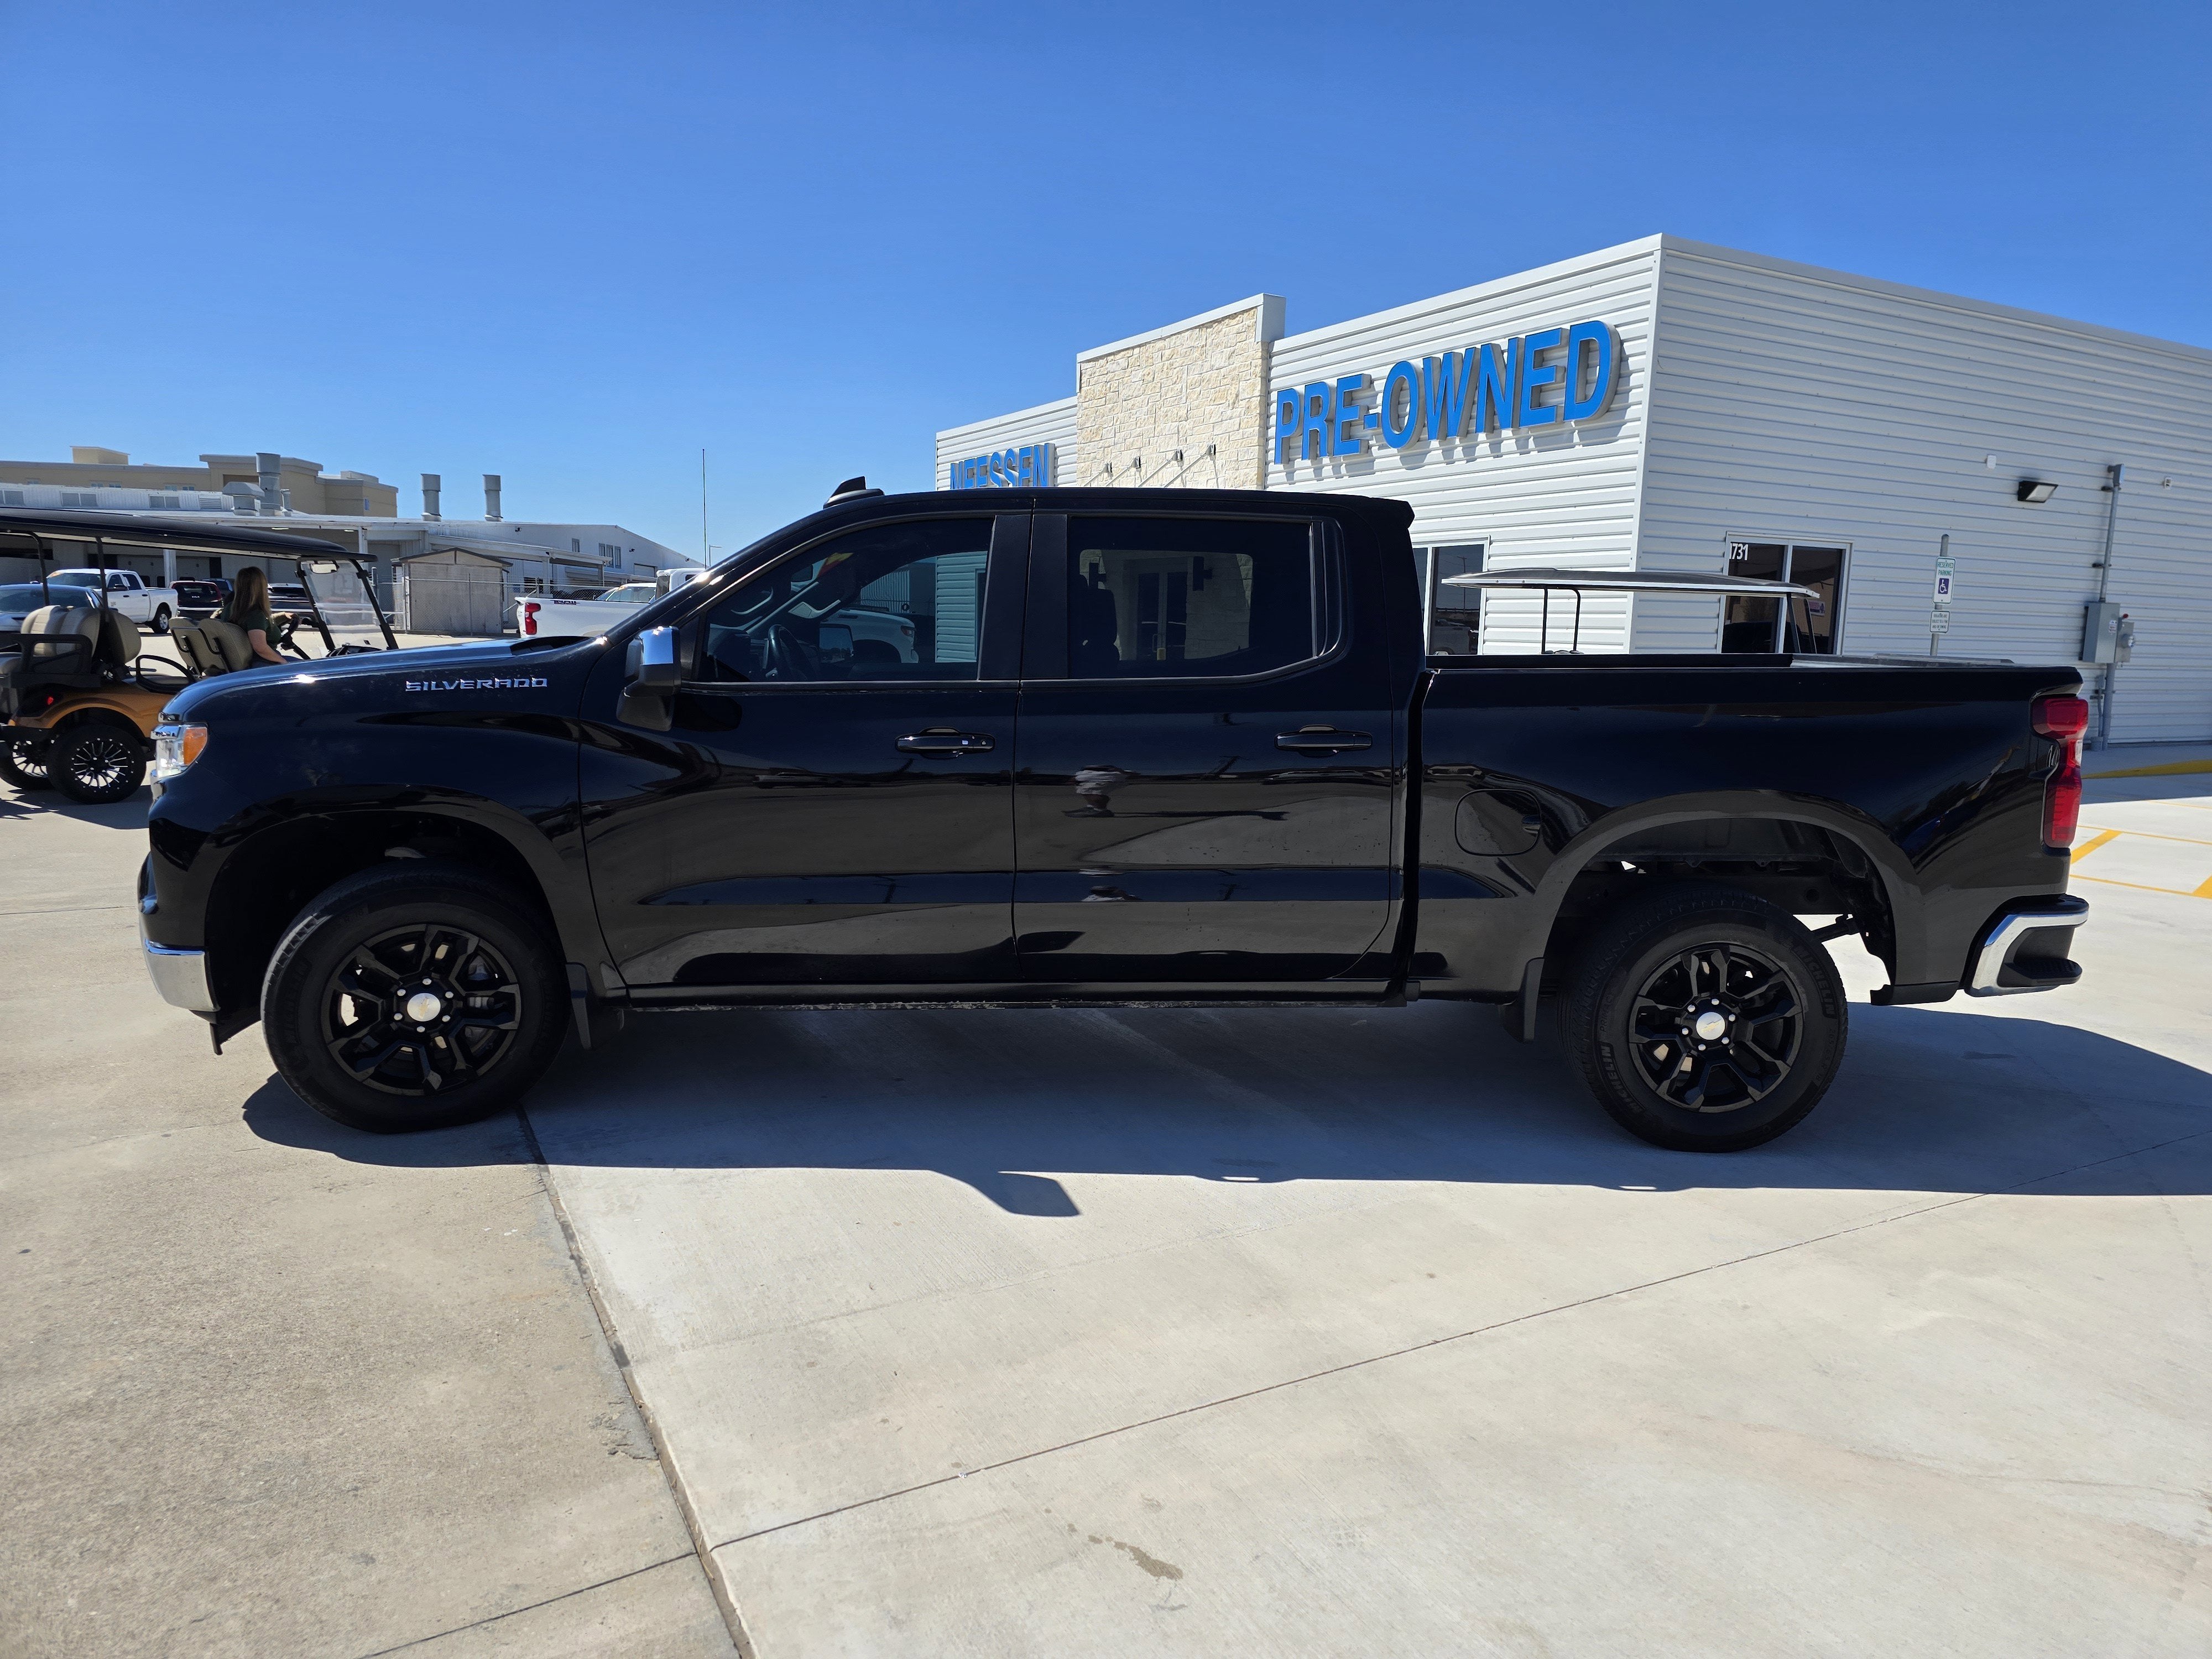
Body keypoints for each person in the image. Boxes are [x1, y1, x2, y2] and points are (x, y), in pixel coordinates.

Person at [221, 567, 288, 665]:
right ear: (261, 587)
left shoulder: (230, 608)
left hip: (239, 662)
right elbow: (260, 648)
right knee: (308, 670)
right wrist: (284, 663)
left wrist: (283, 616)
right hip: (261, 662)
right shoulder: (255, 613)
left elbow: (259, 624)